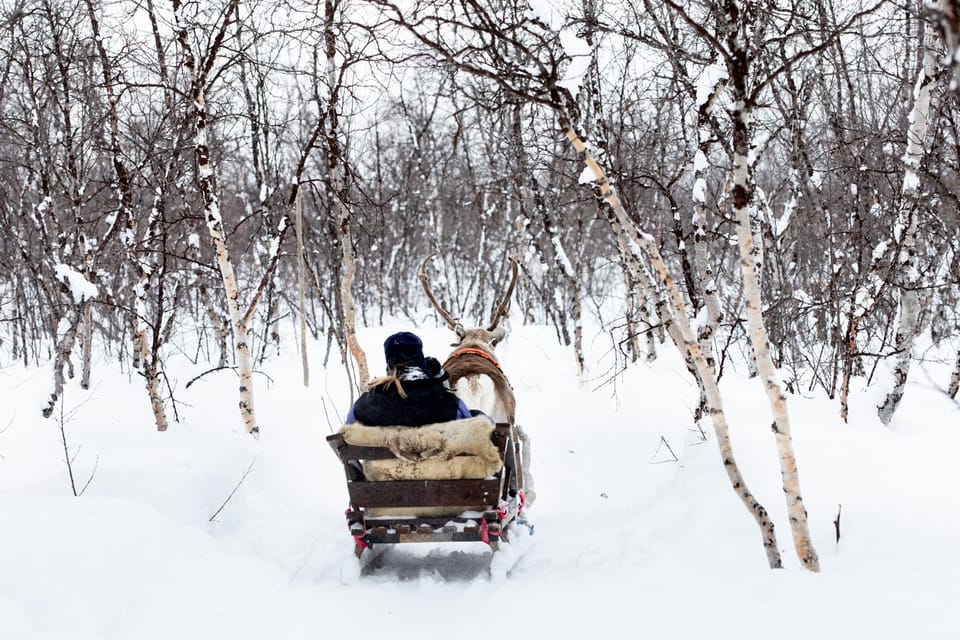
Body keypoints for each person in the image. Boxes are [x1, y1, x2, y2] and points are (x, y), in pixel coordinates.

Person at [345, 331, 474, 426]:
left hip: (384, 462)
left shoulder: (365, 405)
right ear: (420, 358)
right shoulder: (448, 404)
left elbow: (346, 435)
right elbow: (471, 430)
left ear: (389, 363)